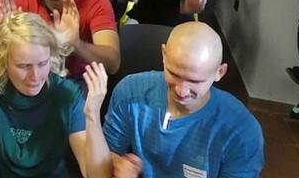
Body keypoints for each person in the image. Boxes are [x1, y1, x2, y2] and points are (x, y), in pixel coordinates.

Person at [91, 22, 264, 178]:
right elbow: (107, 155)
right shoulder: (129, 93)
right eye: (174, 74)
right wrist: (118, 166)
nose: (181, 91)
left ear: (219, 72)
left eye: (195, 81)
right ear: (164, 55)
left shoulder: (242, 132)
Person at [0, 12, 92, 177]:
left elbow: (92, 172)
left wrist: (93, 116)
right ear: (3, 61)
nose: (35, 76)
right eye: (23, 66)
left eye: (42, 64)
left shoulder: (68, 94)